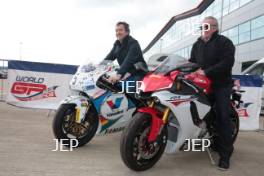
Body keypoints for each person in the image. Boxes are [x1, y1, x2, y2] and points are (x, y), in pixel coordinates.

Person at [189, 16, 235, 170]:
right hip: (202, 85)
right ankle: (200, 141)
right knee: (196, 112)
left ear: (214, 28)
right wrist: (184, 70)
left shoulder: (225, 42)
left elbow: (227, 63)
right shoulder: (197, 44)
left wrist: (206, 72)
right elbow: (192, 62)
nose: (203, 30)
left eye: (206, 27)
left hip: (221, 85)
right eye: (202, 27)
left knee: (222, 116)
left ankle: (225, 154)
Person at [103, 21, 148, 97]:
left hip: (137, 72)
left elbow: (129, 60)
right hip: (126, 73)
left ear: (127, 32)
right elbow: (108, 58)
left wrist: (119, 74)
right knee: (112, 87)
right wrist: (96, 67)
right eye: (116, 30)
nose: (118, 32)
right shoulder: (117, 44)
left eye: (120, 30)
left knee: (130, 92)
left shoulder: (133, 43)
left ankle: (141, 107)